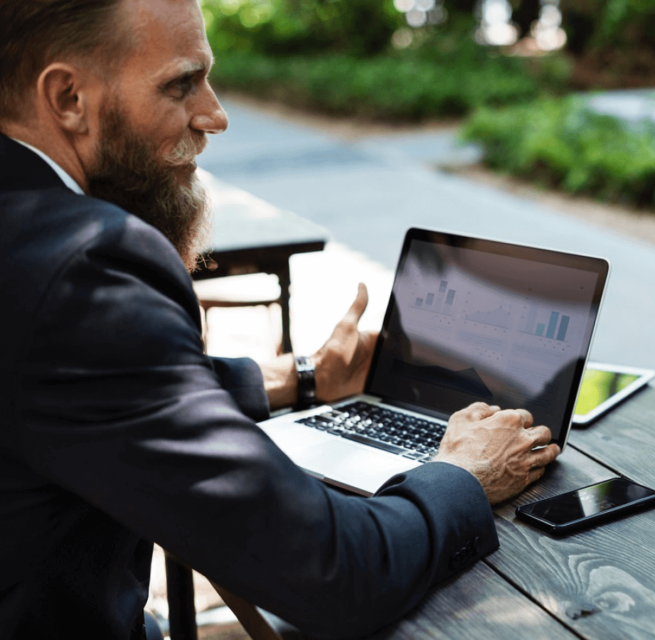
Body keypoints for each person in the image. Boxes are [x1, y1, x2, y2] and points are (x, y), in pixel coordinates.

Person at [0, 1, 561, 638]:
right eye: (181, 83)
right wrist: (460, 473)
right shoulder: (85, 266)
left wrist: (302, 377)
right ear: (68, 96)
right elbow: (335, 573)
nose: (215, 115)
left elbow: (72, 387)